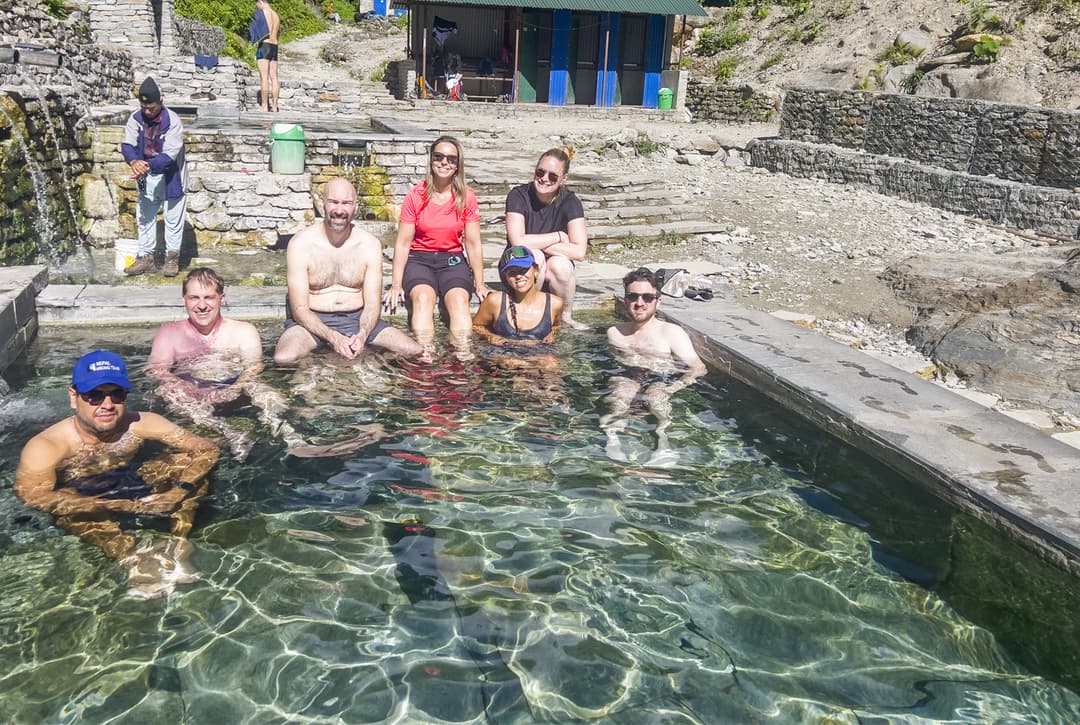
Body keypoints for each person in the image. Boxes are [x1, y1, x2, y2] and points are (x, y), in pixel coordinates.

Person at [14, 350, 219, 599]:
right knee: (68, 507)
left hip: (134, 479)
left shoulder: (140, 424)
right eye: (95, 396)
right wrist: (122, 505)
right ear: (73, 396)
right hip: (86, 495)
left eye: (117, 394)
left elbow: (207, 449)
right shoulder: (47, 446)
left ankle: (177, 540)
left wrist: (179, 491)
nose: (107, 405)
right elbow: (34, 497)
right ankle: (130, 554)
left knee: (189, 465)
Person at [150, 267, 381, 459]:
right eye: (194, 298)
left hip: (234, 387)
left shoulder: (243, 331)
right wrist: (189, 388)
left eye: (208, 297)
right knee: (167, 390)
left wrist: (235, 388)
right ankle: (230, 433)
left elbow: (253, 367)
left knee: (264, 391)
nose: (202, 305)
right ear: (184, 300)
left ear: (222, 297)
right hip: (190, 389)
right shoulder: (169, 334)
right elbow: (158, 371)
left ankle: (293, 438)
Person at [275, 177, 423, 364]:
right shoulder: (300, 244)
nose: (339, 210)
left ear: (355, 206)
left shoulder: (369, 245)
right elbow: (299, 309)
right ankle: (317, 369)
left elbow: (371, 306)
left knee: (416, 351)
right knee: (284, 358)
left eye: (346, 203)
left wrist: (362, 334)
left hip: (357, 318)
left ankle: (376, 367)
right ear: (322, 204)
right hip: (312, 321)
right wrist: (334, 337)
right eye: (333, 202)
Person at [383, 137, 489, 344]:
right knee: (423, 299)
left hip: (452, 260)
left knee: (459, 301)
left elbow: (473, 243)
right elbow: (403, 243)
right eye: (438, 157)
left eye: (451, 159)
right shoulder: (416, 195)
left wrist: (481, 284)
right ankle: (425, 360)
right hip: (419, 260)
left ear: (458, 165)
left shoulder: (466, 197)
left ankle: (462, 359)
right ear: (431, 160)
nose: (444, 162)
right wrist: (396, 284)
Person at [602, 268, 707, 467]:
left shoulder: (671, 333)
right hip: (627, 376)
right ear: (625, 300)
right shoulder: (615, 333)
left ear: (658, 301)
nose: (639, 303)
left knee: (657, 397)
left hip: (661, 377)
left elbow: (698, 368)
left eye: (647, 297)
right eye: (633, 296)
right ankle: (612, 437)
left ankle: (662, 439)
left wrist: (672, 388)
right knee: (621, 393)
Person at [505, 147, 589, 329]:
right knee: (535, 255)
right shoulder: (518, 196)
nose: (544, 179)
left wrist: (535, 242)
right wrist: (558, 237)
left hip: (552, 270)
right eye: (540, 172)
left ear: (563, 179)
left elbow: (580, 251)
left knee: (561, 265)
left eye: (553, 176)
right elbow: (517, 242)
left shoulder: (570, 202)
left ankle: (564, 317)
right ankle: (525, 315)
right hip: (519, 265)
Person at [121, 77, 188, 278]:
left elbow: (170, 154)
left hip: (171, 174)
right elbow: (127, 145)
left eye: (151, 107)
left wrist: (146, 165)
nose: (148, 111)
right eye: (144, 107)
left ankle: (172, 258)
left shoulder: (173, 121)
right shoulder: (135, 119)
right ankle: (145, 258)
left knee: (173, 218)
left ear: (160, 102)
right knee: (145, 216)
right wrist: (134, 162)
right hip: (146, 174)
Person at [472, 245, 562, 344]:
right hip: (504, 353)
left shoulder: (555, 304)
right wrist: (489, 336)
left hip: (539, 351)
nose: (518, 276)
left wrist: (552, 334)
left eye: (523, 270)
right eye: (512, 273)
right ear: (505, 277)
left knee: (550, 360)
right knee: (513, 361)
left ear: (536, 270)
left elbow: (556, 326)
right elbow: (475, 326)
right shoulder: (495, 301)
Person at [250, 0, 281, 112]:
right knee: (274, 77)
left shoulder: (262, 12)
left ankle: (264, 106)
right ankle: (274, 106)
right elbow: (278, 33)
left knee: (264, 77)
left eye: (257, 4)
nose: (257, 7)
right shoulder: (276, 15)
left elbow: (256, 30)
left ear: (261, 2)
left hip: (264, 46)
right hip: (274, 46)